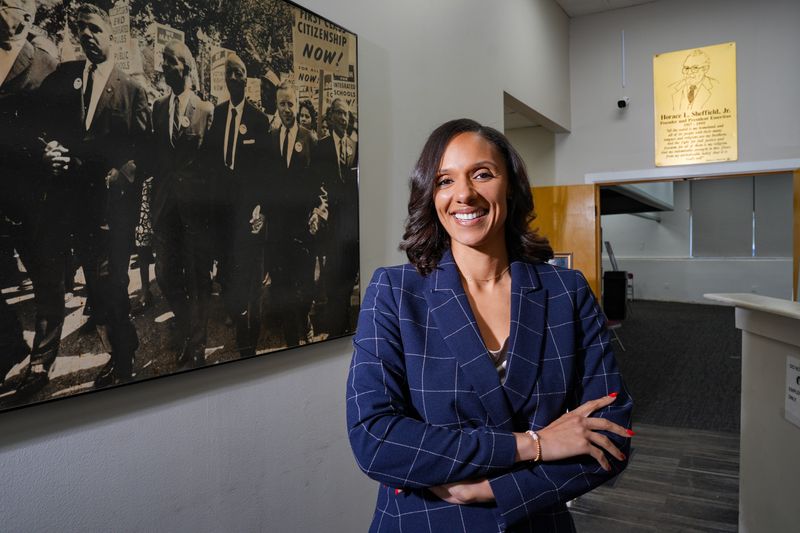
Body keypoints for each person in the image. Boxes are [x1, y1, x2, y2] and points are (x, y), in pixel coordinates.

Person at [346, 119, 633, 532]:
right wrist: (532, 445)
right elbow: (376, 441)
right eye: (445, 180)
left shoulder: (566, 292)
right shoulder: (394, 291)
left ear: (511, 186)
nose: (464, 194)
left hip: (534, 521)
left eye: (482, 174)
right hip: (425, 521)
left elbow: (612, 435)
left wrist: (494, 490)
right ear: (431, 194)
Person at [37, 3, 150, 388]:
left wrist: (121, 174)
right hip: (81, 208)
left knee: (111, 285)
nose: (87, 35)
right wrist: (53, 149)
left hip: (116, 209)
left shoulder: (131, 89)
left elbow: (146, 151)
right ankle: (124, 347)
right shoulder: (70, 80)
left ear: (110, 35)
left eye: (94, 29)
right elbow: (57, 130)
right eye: (80, 29)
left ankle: (123, 360)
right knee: (99, 290)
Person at [0, 0, 59, 393]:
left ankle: (41, 360)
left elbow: (62, 121)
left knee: (45, 276)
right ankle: (8, 346)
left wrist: (55, 150)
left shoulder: (44, 60)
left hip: (34, 185)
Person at [147, 40, 214, 369]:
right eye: (163, 60)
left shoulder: (205, 111)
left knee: (199, 279)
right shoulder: (158, 108)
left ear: (185, 67)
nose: (163, 66)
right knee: (165, 274)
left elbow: (212, 167)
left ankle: (197, 343)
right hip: (166, 210)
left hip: (196, 212)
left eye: (169, 61)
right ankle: (187, 325)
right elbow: (155, 161)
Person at [203, 53, 269, 357]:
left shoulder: (258, 120)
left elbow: (269, 173)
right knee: (229, 284)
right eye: (229, 73)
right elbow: (212, 168)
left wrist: (262, 210)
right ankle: (238, 315)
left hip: (250, 216)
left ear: (247, 79)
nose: (234, 78)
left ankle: (248, 347)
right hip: (223, 217)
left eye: (239, 73)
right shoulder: (217, 115)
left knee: (251, 284)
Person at [267, 81, 319, 347]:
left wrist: (317, 213)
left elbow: (320, 185)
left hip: (303, 227)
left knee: (306, 285)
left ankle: (304, 319)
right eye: (282, 104)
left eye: (290, 103)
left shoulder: (310, 139)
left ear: (297, 105)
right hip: (278, 229)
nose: (287, 109)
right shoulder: (271, 138)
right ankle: (291, 339)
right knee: (282, 284)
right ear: (276, 106)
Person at [314, 98, 359, 338]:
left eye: (346, 114)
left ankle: (342, 323)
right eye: (339, 113)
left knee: (348, 274)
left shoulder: (355, 146)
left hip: (351, 223)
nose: (343, 118)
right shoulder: (321, 147)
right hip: (331, 221)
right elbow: (317, 183)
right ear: (331, 117)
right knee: (332, 272)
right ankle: (334, 327)